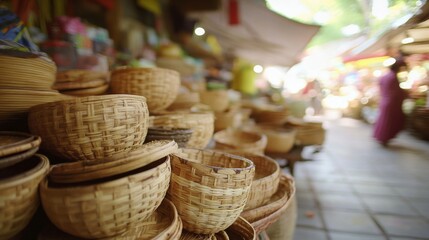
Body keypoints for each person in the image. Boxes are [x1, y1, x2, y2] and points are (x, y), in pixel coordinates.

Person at [373, 57, 408, 146]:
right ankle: (384, 138)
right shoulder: (393, 77)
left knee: (383, 120)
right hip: (391, 103)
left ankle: (381, 137)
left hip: (384, 101)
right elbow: (396, 92)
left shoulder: (385, 76)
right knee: (388, 121)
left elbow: (381, 88)